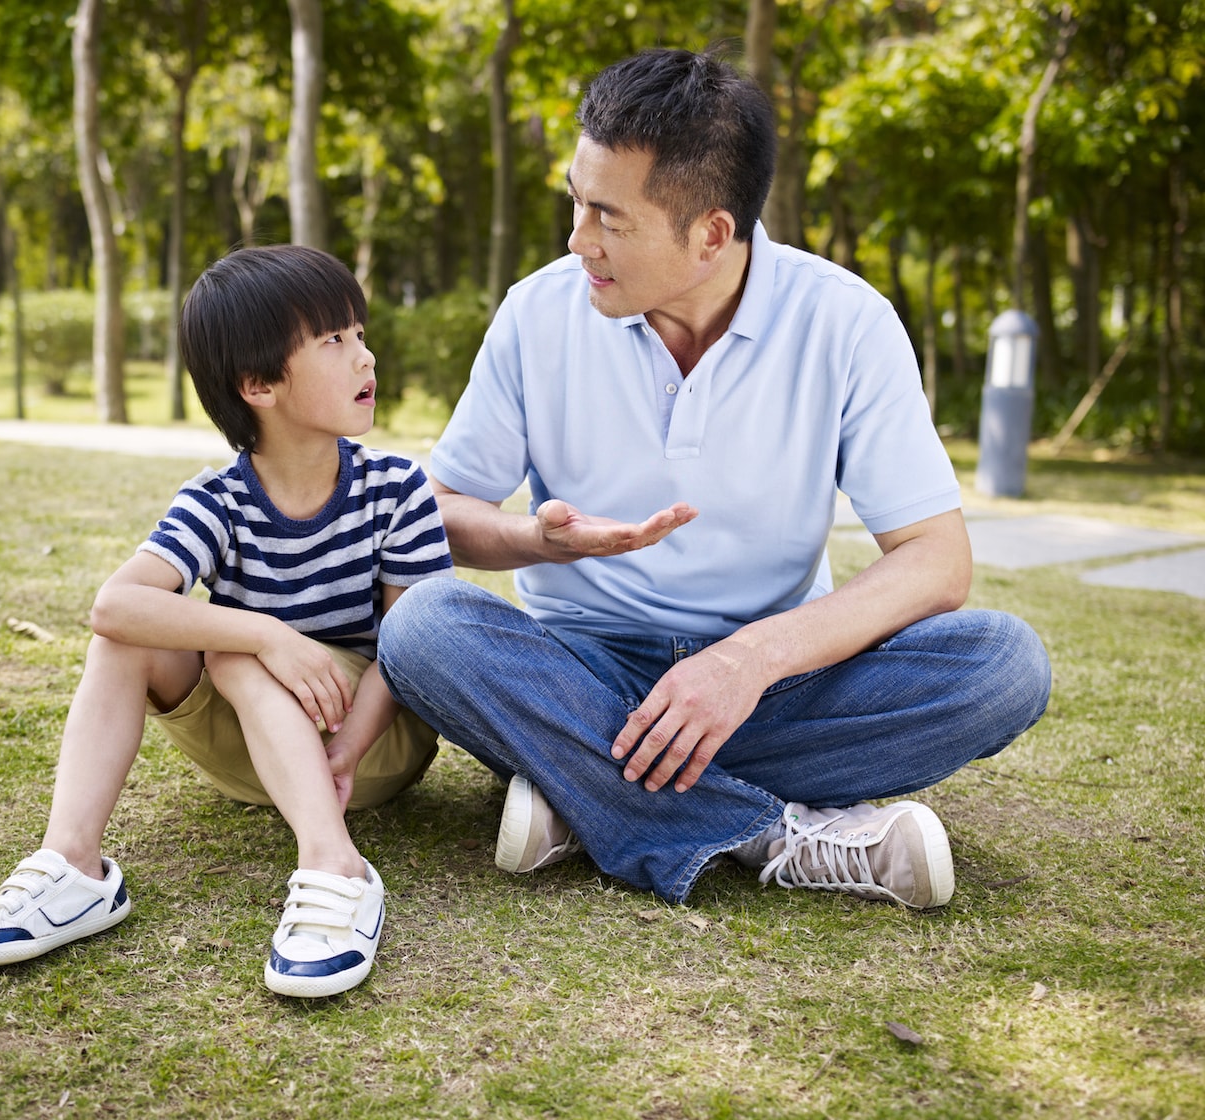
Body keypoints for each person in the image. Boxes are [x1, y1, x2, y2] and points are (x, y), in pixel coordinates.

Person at [375, 48, 1052, 911]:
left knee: (1003, 665)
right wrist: (533, 541)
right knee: (426, 628)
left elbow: (935, 561)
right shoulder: (537, 312)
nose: (576, 239)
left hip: (776, 677)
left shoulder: (846, 322)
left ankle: (584, 791)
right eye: (575, 202)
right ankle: (774, 833)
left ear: (712, 234)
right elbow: (445, 512)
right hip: (584, 666)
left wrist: (745, 662)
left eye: (607, 219)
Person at [0, 245, 453, 997]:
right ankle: (73, 865)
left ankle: (334, 863)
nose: (365, 357)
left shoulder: (396, 487)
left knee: (230, 647)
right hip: (254, 752)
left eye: (360, 334)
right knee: (152, 640)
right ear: (258, 384)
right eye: (334, 342)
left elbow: (411, 646)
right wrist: (267, 634)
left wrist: (341, 754)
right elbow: (113, 604)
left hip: (369, 746)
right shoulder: (218, 499)